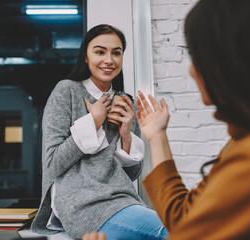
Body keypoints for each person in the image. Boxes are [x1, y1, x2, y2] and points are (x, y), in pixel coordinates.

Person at [135, 0, 250, 239]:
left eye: (196, 54)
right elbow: (185, 217)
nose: (191, 70)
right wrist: (157, 136)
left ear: (232, 61)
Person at [31, 24, 168, 240]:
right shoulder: (66, 91)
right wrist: (93, 121)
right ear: (85, 56)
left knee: (181, 226)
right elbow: (53, 163)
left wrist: (125, 134)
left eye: (116, 52)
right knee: (176, 230)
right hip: (81, 206)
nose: (109, 60)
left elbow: (131, 175)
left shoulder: (125, 103)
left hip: (123, 200)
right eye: (99, 51)